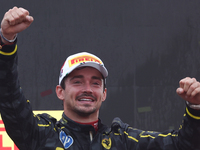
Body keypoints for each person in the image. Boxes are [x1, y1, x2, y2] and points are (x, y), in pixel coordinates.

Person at [0, 7, 200, 150]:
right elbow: (9, 97)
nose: (87, 88)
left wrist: (195, 109)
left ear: (104, 94)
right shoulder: (40, 134)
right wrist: (6, 41)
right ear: (60, 92)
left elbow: (183, 144)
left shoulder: (123, 141)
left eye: (95, 83)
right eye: (77, 81)